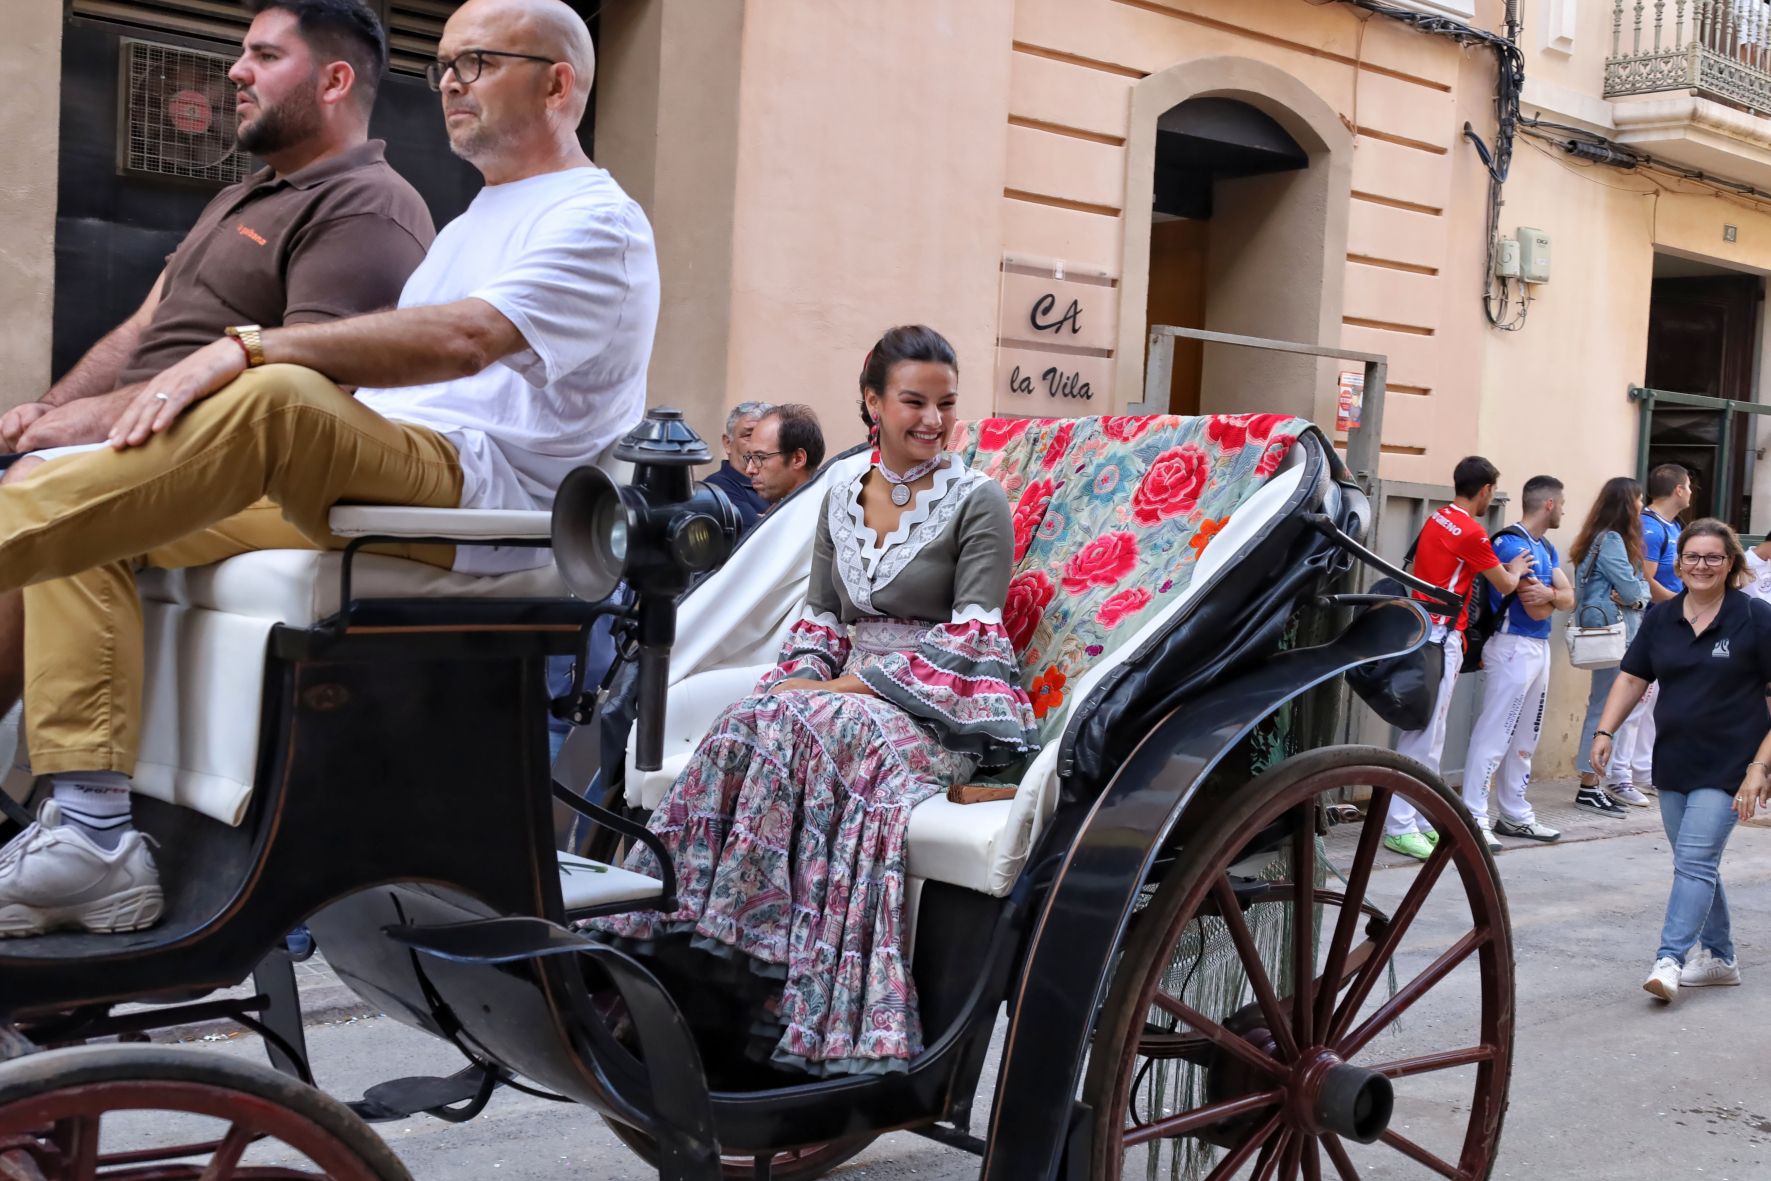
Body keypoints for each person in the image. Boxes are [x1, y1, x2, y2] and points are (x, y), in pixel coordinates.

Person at [0, 0, 658, 937]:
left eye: (478, 62)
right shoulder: (482, 215)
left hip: (475, 492)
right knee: (96, 503)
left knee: (279, 392)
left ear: (558, 82)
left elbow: (467, 340)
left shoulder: (601, 220)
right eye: (445, 66)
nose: (450, 84)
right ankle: (95, 835)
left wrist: (247, 348)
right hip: (386, 478)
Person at [589, 325, 1037, 1076]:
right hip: (842, 698)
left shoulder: (975, 499)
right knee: (750, 718)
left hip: (937, 709)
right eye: (912, 401)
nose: (930, 419)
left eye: (945, 403)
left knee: (817, 714)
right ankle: (690, 949)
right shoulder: (840, 494)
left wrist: (842, 687)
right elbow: (821, 621)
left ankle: (774, 980)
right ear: (872, 402)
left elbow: (973, 639)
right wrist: (803, 675)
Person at [0, 0, 434, 731]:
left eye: (265, 56)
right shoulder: (239, 195)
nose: (236, 72)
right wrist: (48, 412)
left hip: (225, 468)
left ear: (333, 81)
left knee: (53, 490)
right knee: (36, 464)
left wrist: (81, 431)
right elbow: (142, 325)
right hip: (132, 440)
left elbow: (305, 397)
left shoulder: (369, 205)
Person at [1589, 519, 1771, 1001]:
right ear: (1679, 562)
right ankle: (1721, 956)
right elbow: (1632, 676)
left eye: (1713, 557)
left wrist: (1761, 768)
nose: (1701, 566)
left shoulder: (1755, 617)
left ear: (1730, 563)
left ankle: (1669, 959)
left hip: (1732, 762)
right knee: (1696, 862)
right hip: (1674, 759)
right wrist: (1606, 729)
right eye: (1692, 557)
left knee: (1694, 861)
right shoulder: (1662, 617)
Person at [1383, 456, 1535, 861]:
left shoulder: (1437, 519)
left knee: (1429, 734)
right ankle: (1399, 826)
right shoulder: (1472, 531)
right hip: (1441, 636)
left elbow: (1417, 566)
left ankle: (1415, 820)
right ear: (1485, 490)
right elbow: (1503, 583)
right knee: (1426, 734)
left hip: (1422, 628)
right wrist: (1517, 567)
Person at [1459, 475, 1571, 850]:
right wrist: (1556, 597)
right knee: (1495, 733)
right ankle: (1473, 814)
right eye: (1563, 503)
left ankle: (1514, 814)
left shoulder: (1546, 547)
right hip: (1512, 646)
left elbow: (1566, 597)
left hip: (1537, 649)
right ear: (1549, 505)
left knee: (1526, 735)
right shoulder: (1511, 544)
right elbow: (1536, 610)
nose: (1565, 510)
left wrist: (1553, 593)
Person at [1608, 463, 1692, 803]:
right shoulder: (1652, 529)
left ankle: (1644, 769)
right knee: (1638, 701)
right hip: (1653, 623)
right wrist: (1684, 604)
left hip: (1669, 623)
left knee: (1655, 701)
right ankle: (1619, 774)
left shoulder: (1672, 527)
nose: (1690, 491)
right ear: (1678, 490)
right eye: (1688, 485)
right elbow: (1647, 579)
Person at [1570, 477, 1653, 814]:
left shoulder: (1598, 538)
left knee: (1604, 707)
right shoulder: (1613, 541)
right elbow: (1635, 592)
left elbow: (1640, 589)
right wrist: (1637, 597)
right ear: (1626, 503)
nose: (1642, 505)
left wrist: (1638, 594)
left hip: (1611, 634)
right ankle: (1589, 786)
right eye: (1638, 499)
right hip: (1616, 636)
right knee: (1606, 710)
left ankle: (1591, 783)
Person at [703, 401, 771, 531]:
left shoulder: (777, 483)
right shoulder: (717, 489)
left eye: (765, 436)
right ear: (728, 443)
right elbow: (756, 537)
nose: (757, 445)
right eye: (749, 435)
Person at [743, 402, 825, 508]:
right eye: (750, 457)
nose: (749, 469)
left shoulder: (822, 519)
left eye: (761, 457)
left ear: (798, 459)